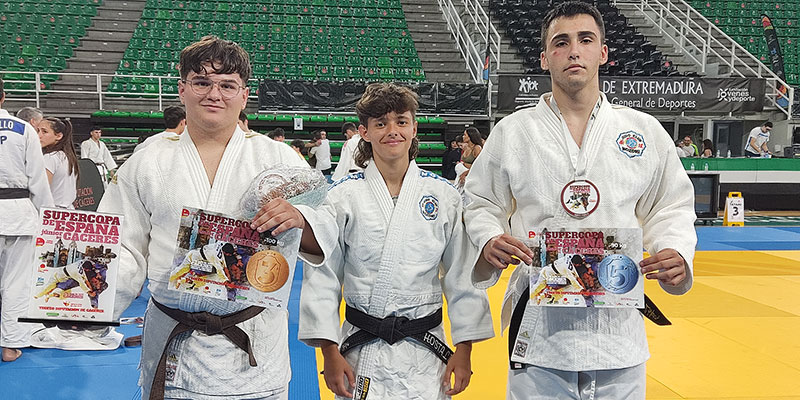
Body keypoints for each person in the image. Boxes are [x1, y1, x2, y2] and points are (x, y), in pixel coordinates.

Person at [463, 2, 696, 398]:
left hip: (617, 331)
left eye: (585, 40)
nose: (574, 51)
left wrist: (675, 251)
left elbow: (670, 205)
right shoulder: (513, 132)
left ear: (602, 52)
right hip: (540, 334)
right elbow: (481, 200)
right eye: (561, 42)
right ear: (543, 58)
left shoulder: (643, 130)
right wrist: (489, 238)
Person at [97, 36, 315, 399]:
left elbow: (322, 233)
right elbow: (123, 247)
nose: (214, 93)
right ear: (182, 90)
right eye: (201, 82)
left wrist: (301, 219)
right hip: (176, 342)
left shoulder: (281, 161)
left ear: (244, 96)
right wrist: (89, 309)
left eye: (227, 85)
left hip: (254, 345)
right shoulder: (146, 163)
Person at [297, 83, 494, 399]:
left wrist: (465, 348)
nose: (393, 131)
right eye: (380, 123)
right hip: (361, 351)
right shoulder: (342, 197)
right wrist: (329, 352)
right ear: (365, 131)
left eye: (401, 121)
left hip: (426, 353)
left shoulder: (444, 196)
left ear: (414, 127)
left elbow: (461, 276)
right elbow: (323, 277)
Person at [0, 77, 55, 362]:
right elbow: (37, 178)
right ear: (4, 97)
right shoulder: (23, 129)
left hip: (14, 210)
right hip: (18, 213)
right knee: (15, 283)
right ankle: (10, 346)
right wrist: (47, 215)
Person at [38, 117, 79, 209]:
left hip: (52, 211)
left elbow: (43, 191)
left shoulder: (50, 158)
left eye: (44, 132)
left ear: (58, 136)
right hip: (68, 210)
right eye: (38, 131)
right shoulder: (68, 156)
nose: (39, 135)